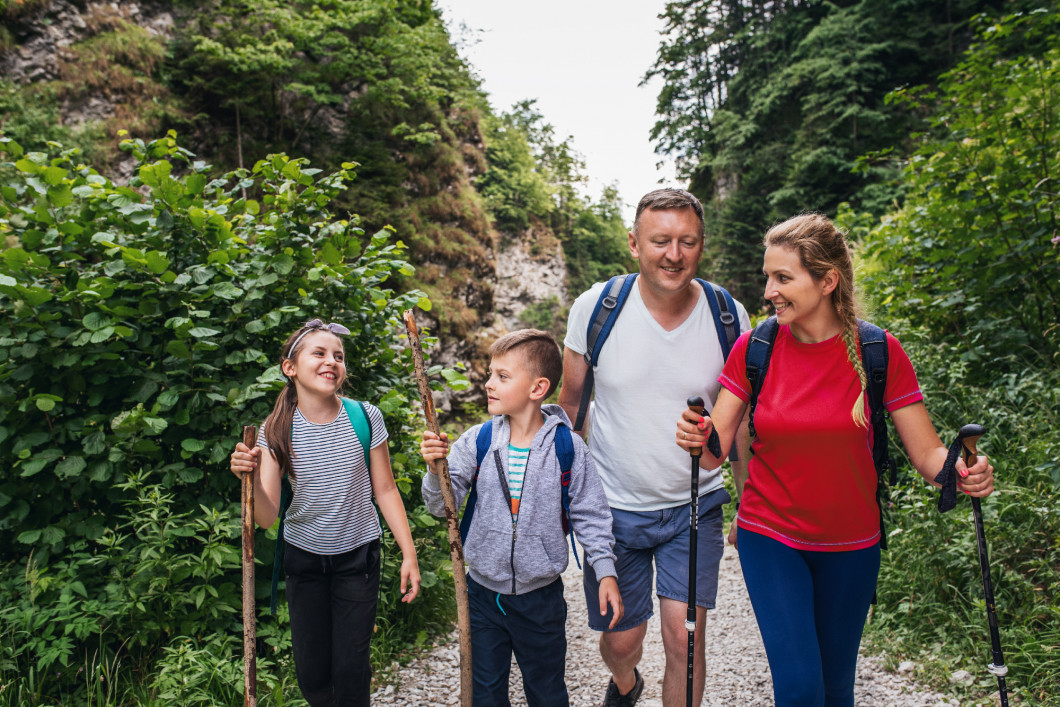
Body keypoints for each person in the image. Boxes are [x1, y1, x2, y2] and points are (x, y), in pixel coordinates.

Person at [675, 213, 996, 707]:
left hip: (852, 544)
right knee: (800, 689)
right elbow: (714, 448)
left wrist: (960, 469)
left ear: (827, 281)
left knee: (835, 690)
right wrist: (697, 437)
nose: (769, 291)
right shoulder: (754, 348)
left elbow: (928, 453)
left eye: (783, 278)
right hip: (771, 536)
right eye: (768, 277)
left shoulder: (877, 352)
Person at [558, 188, 752, 707]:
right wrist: (559, 496)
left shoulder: (727, 315)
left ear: (701, 244)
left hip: (695, 505)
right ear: (634, 244)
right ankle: (626, 683)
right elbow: (570, 408)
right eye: (660, 240)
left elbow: (741, 422)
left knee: (684, 639)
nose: (674, 254)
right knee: (623, 640)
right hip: (612, 507)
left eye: (687, 242)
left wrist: (748, 498)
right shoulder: (596, 308)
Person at [420, 329, 623, 707]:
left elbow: (592, 516)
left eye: (502, 376)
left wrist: (606, 572)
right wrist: (436, 471)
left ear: (537, 388)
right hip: (481, 594)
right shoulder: (478, 440)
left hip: (540, 598)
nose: (489, 384)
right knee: (486, 694)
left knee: (546, 692)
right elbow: (440, 507)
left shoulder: (568, 448)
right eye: (490, 374)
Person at [229, 318, 420, 707]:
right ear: (290, 367)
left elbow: (384, 489)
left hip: (357, 557)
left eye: (338, 355)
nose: (331, 361)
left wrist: (409, 553)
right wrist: (246, 481)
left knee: (351, 671)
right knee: (312, 675)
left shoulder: (364, 417)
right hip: (305, 560)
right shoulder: (275, 430)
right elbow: (266, 518)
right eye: (319, 353)